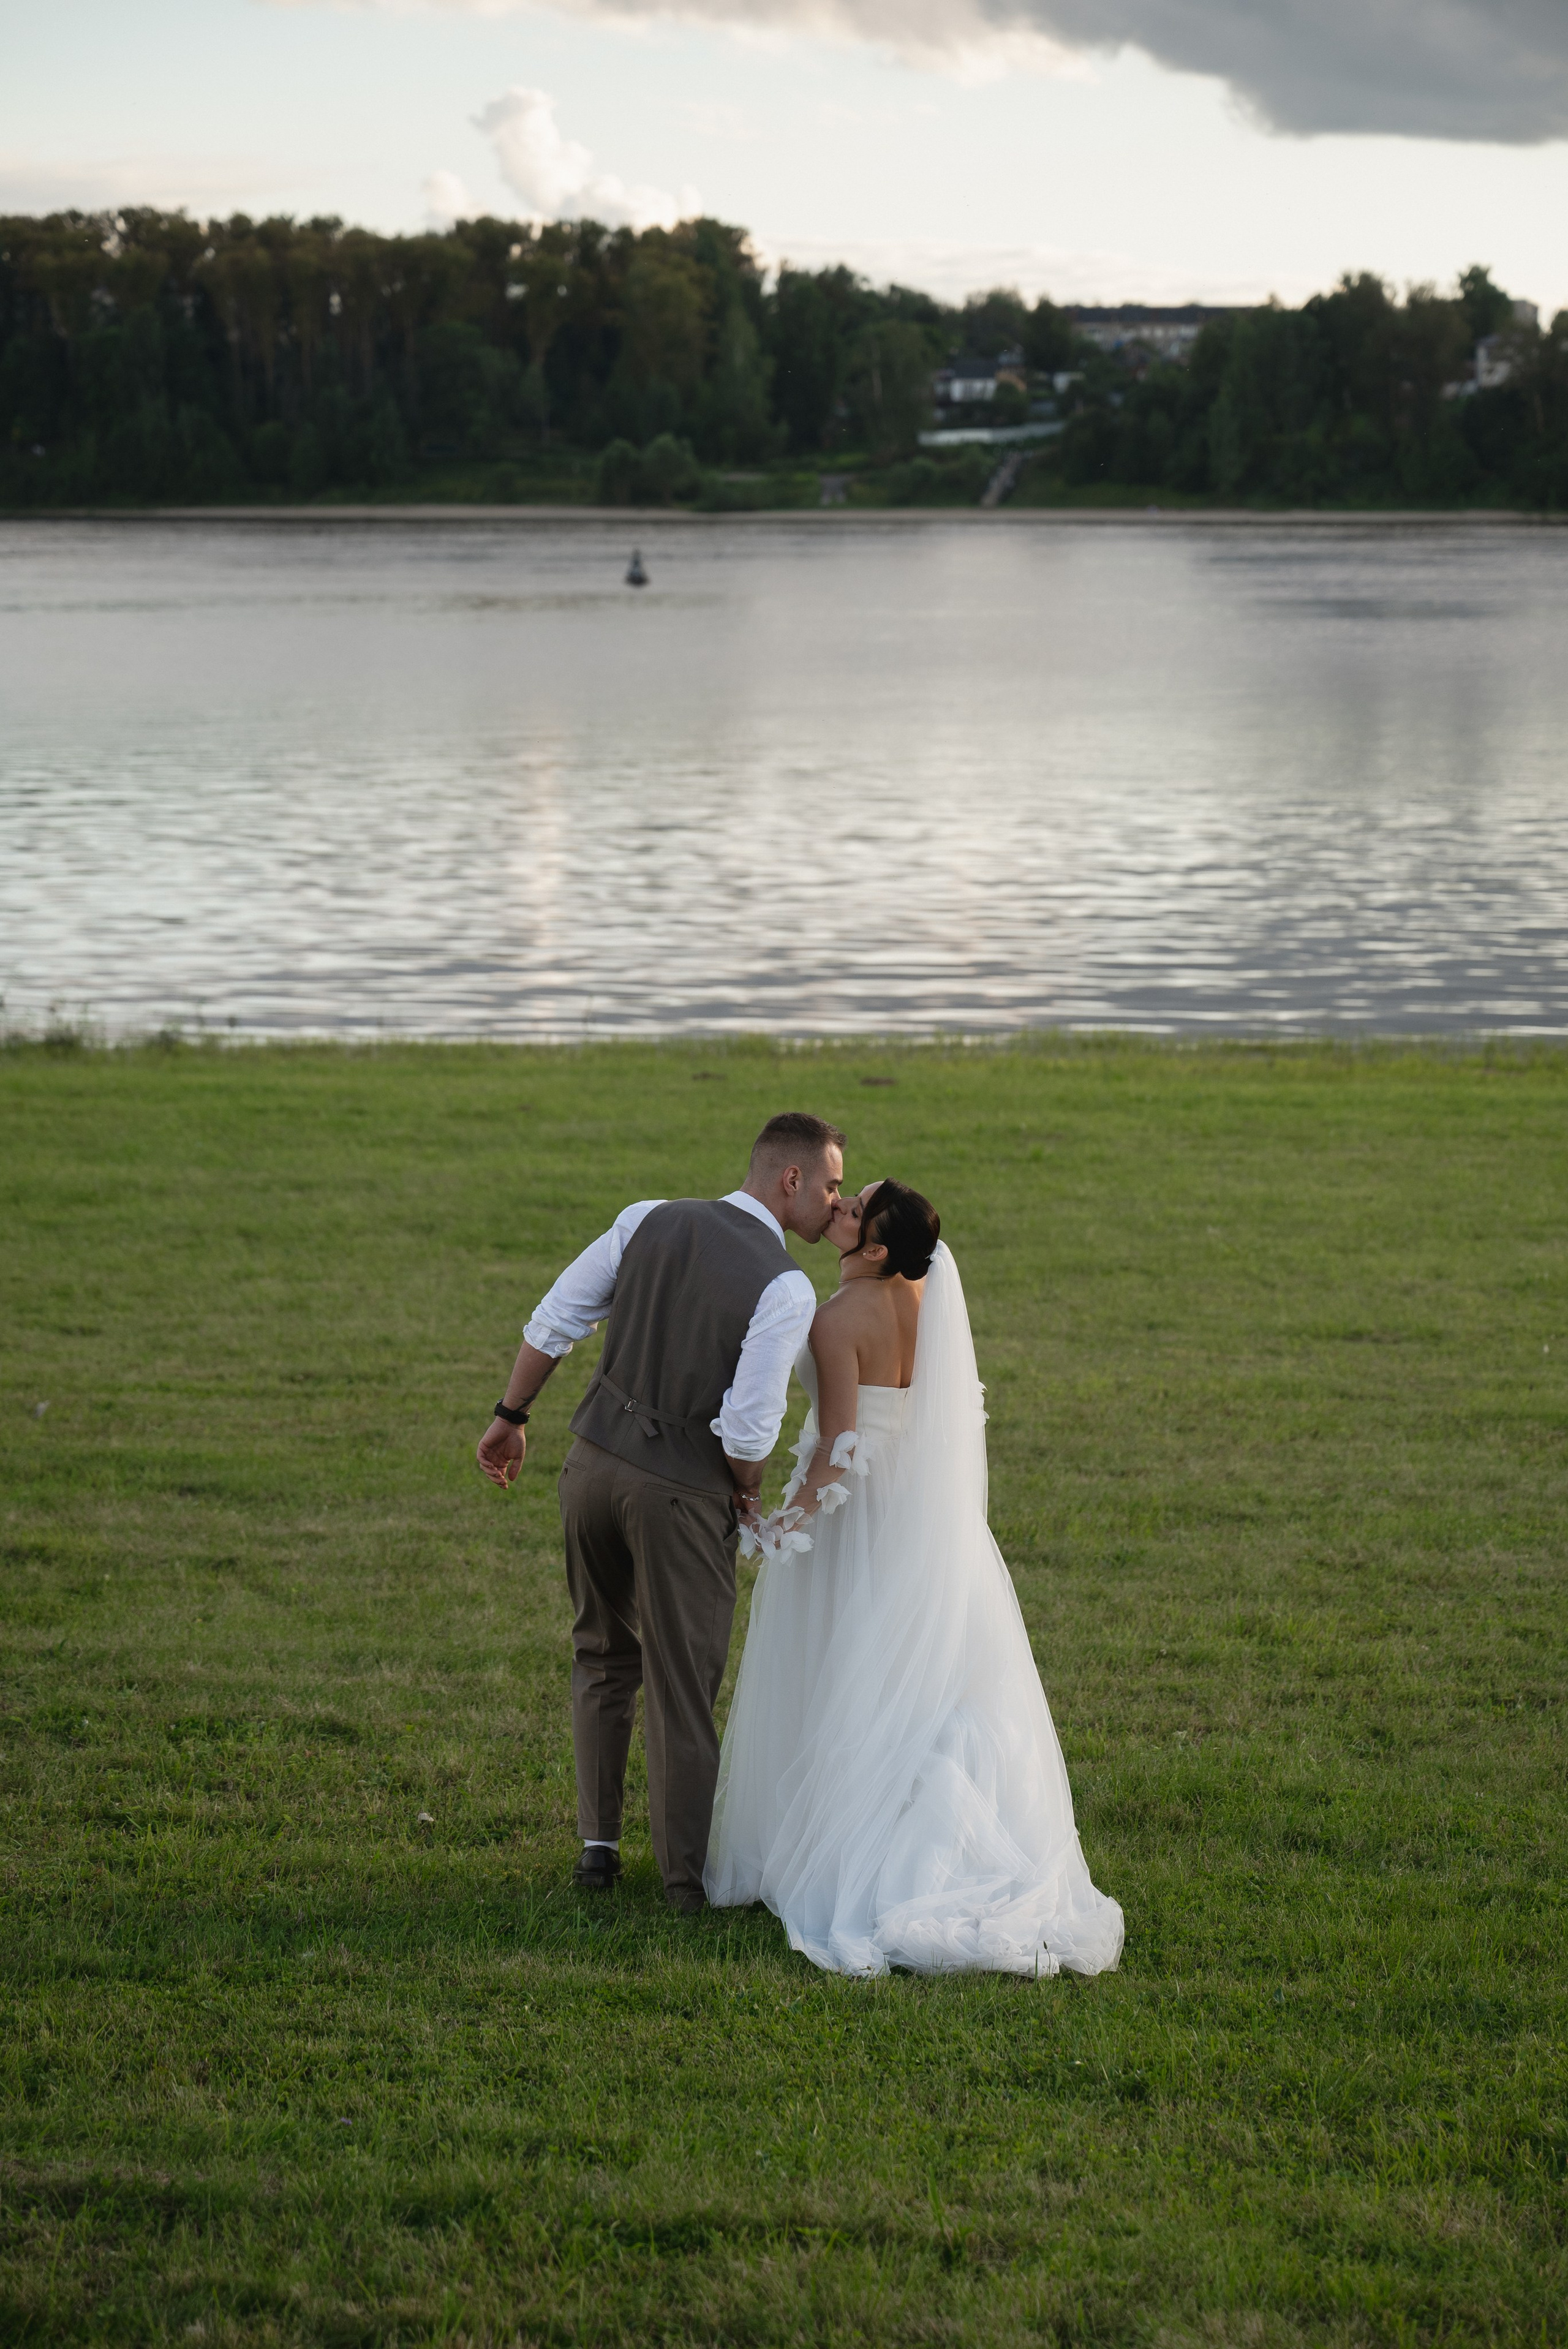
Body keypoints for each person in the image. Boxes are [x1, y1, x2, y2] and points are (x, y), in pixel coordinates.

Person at [705, 1180, 1125, 1978]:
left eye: (853, 1207)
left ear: (874, 1247)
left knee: (845, 1666)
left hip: (859, 1515)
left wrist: (781, 1522)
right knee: (931, 1676)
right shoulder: (932, 1303)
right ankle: (948, 1834)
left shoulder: (837, 1321)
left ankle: (854, 1848)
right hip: (927, 1515)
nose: (840, 1207)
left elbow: (839, 1446)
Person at [476, 1113, 845, 1914]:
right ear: (792, 1180)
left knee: (601, 1654)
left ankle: (598, 1852)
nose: (835, 1202)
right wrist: (745, 1490)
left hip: (589, 1468)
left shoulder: (647, 1217)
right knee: (683, 1684)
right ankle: (683, 1884)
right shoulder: (786, 1286)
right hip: (678, 1496)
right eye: (831, 1186)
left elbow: (557, 1318)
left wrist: (511, 1416)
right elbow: (749, 1428)